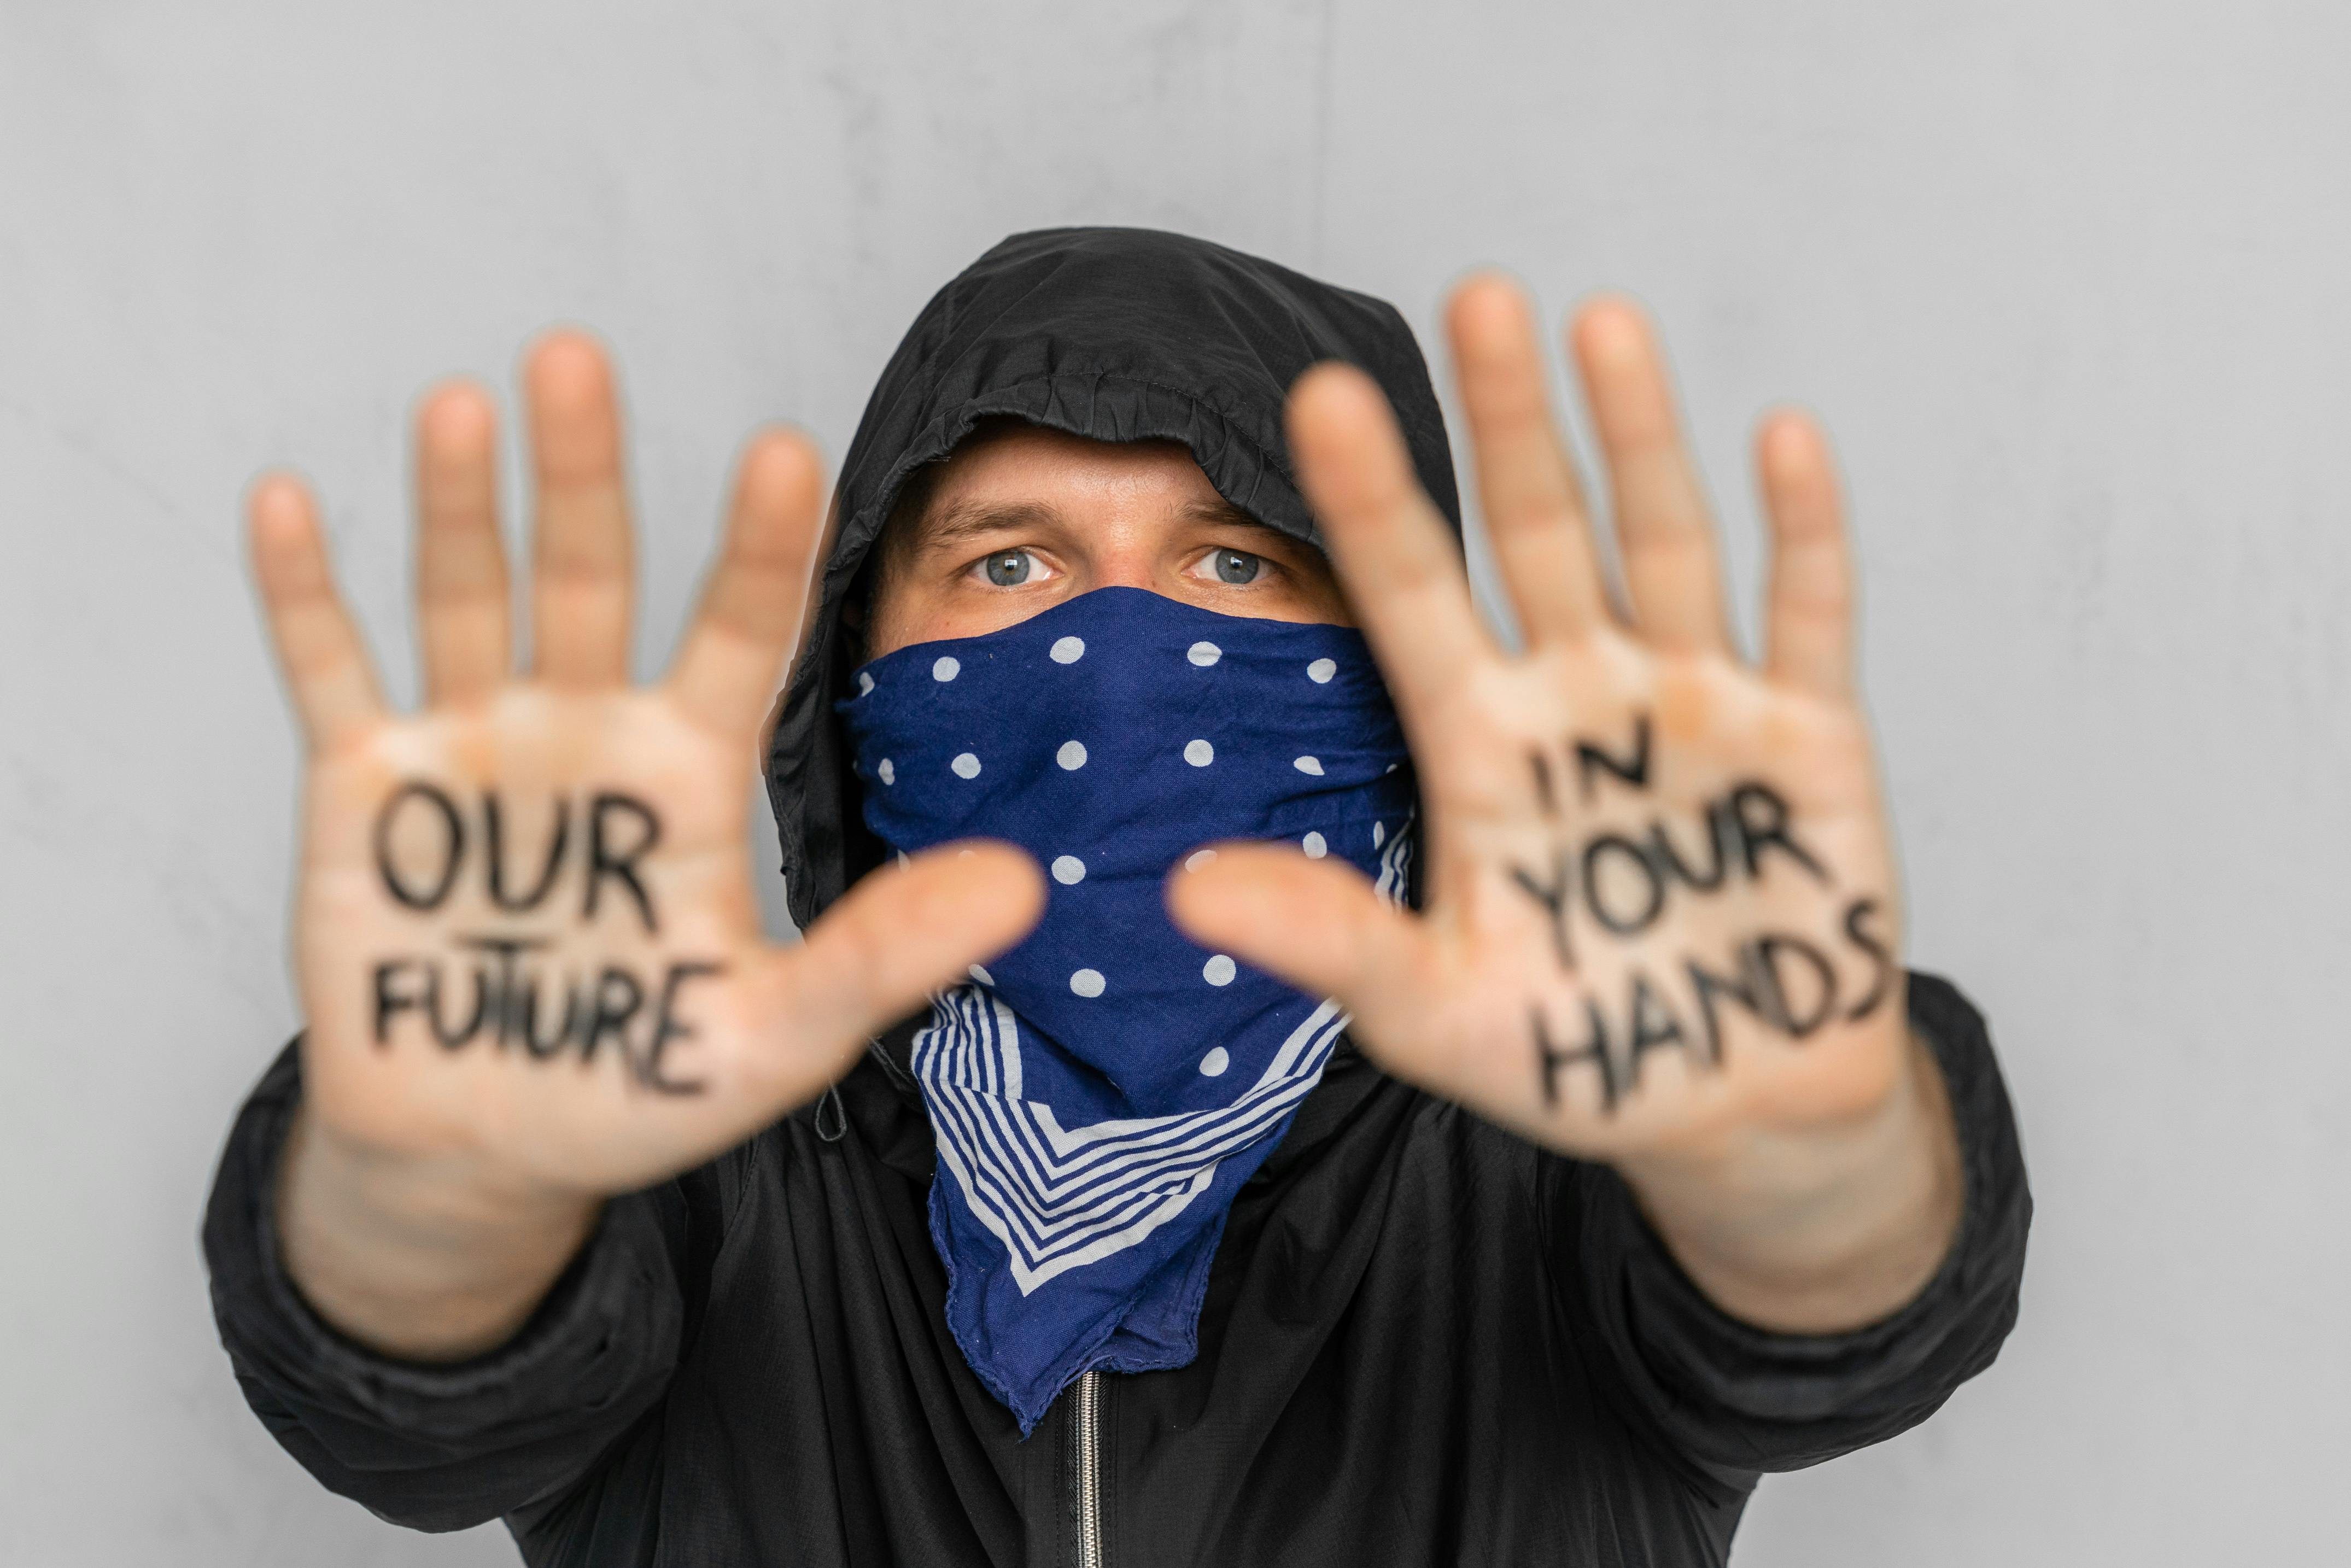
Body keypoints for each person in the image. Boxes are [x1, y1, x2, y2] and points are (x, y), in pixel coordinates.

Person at [204, 227, 2030, 1566]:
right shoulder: (692, 1169)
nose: (1120, 655)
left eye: (1235, 561)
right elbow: (424, 1393)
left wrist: (1784, 1127)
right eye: (1008, 565)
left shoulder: (1566, 1156)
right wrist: (445, 1164)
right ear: (852, 677)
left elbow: (1829, 1307)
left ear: (1391, 662)